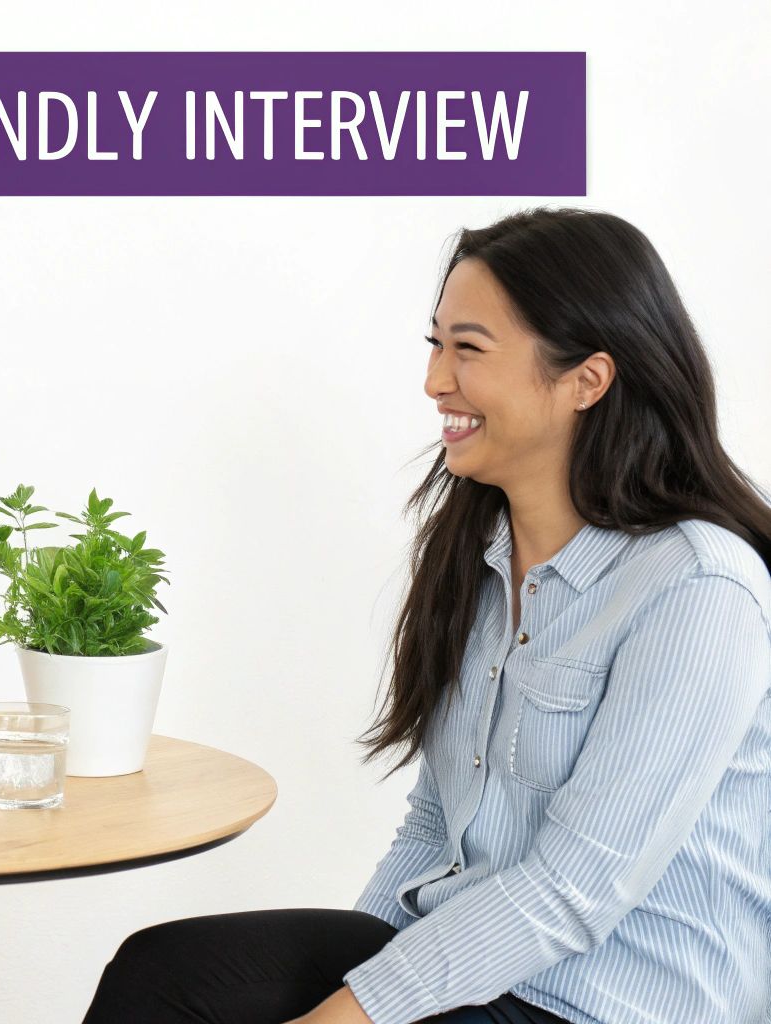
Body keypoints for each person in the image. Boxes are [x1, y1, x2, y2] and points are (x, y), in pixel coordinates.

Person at [83, 208, 771, 1023]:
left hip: (611, 997)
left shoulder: (696, 587)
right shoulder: (481, 558)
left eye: (469, 349)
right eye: (435, 344)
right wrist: (357, 972)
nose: (435, 380)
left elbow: (576, 890)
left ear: (588, 379)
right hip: (484, 965)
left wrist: (343, 1018)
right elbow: (439, 822)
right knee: (164, 975)